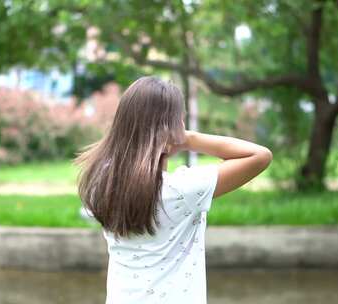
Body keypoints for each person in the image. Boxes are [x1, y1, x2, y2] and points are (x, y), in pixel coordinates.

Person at [73, 76, 272, 304]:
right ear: (173, 130)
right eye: (180, 121)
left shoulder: (103, 183)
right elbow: (259, 156)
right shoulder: (182, 190)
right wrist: (189, 139)